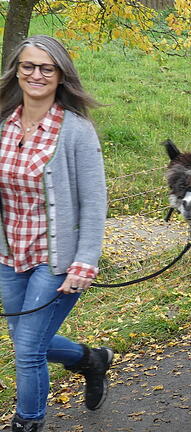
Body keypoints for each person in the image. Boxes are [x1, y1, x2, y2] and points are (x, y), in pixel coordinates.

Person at [0, 35, 111, 432]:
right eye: (28, 66)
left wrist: (86, 260)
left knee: (28, 348)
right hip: (10, 257)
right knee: (26, 339)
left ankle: (27, 423)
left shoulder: (77, 131)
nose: (36, 75)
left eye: (47, 68)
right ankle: (91, 360)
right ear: (16, 71)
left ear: (61, 75)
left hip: (58, 260)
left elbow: (95, 203)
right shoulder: (3, 123)